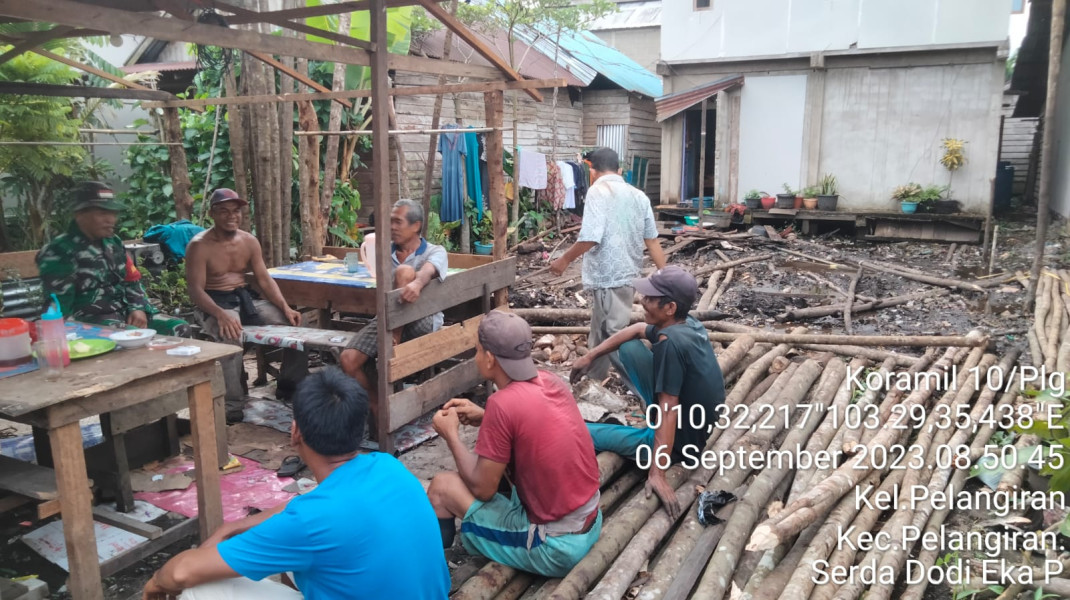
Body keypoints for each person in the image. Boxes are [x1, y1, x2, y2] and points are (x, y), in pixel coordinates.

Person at [141, 368, 451, 600]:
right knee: (303, 551)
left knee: (200, 590)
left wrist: (155, 583)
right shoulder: (388, 466)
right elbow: (308, 506)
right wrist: (230, 528)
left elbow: (180, 572)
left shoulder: (309, 521)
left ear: (295, 432)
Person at [427, 310, 601, 577]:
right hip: (590, 520)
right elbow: (532, 424)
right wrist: (486, 417)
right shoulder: (550, 380)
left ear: (489, 358)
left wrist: (451, 435)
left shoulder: (502, 404)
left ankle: (435, 573)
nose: (476, 358)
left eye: (476, 351)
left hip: (556, 546)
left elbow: (484, 489)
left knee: (441, 487)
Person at [570, 266, 726, 519]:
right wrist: (589, 356)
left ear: (670, 308)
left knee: (579, 432)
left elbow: (669, 408)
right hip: (692, 420)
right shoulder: (687, 323)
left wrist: (657, 473)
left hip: (680, 443)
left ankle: (651, 441)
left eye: (650, 298)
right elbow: (636, 329)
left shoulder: (670, 345)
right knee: (629, 346)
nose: (642, 301)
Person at [185, 188, 304, 423]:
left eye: (236, 211)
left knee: (297, 328)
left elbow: (264, 279)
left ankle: (289, 385)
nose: (231, 216)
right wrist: (220, 314)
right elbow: (195, 290)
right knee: (231, 335)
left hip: (244, 299)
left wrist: (285, 306)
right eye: (224, 211)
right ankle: (233, 404)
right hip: (213, 303)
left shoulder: (249, 241)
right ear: (212, 213)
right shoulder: (199, 245)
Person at [549, 147, 666, 381]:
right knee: (600, 335)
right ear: (620, 170)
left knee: (614, 337)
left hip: (607, 276)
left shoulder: (597, 192)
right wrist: (666, 274)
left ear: (591, 171)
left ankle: (651, 385)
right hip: (628, 274)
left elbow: (591, 237)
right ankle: (593, 383)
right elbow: (652, 240)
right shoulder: (639, 195)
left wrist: (564, 259)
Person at [339, 199, 448, 421]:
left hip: (422, 321)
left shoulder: (435, 251)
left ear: (416, 226)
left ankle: (392, 342)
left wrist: (416, 284)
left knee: (405, 273)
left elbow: (430, 269)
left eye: (398, 222)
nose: (392, 227)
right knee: (348, 359)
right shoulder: (382, 252)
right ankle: (377, 403)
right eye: (390, 222)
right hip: (388, 320)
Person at [36, 181, 189, 336]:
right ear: (80, 214)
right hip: (89, 323)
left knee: (179, 327)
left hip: (124, 315)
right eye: (103, 213)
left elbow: (132, 280)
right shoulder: (60, 251)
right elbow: (59, 308)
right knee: (133, 335)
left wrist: (138, 308)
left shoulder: (113, 242)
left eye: (113, 213)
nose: (111, 220)